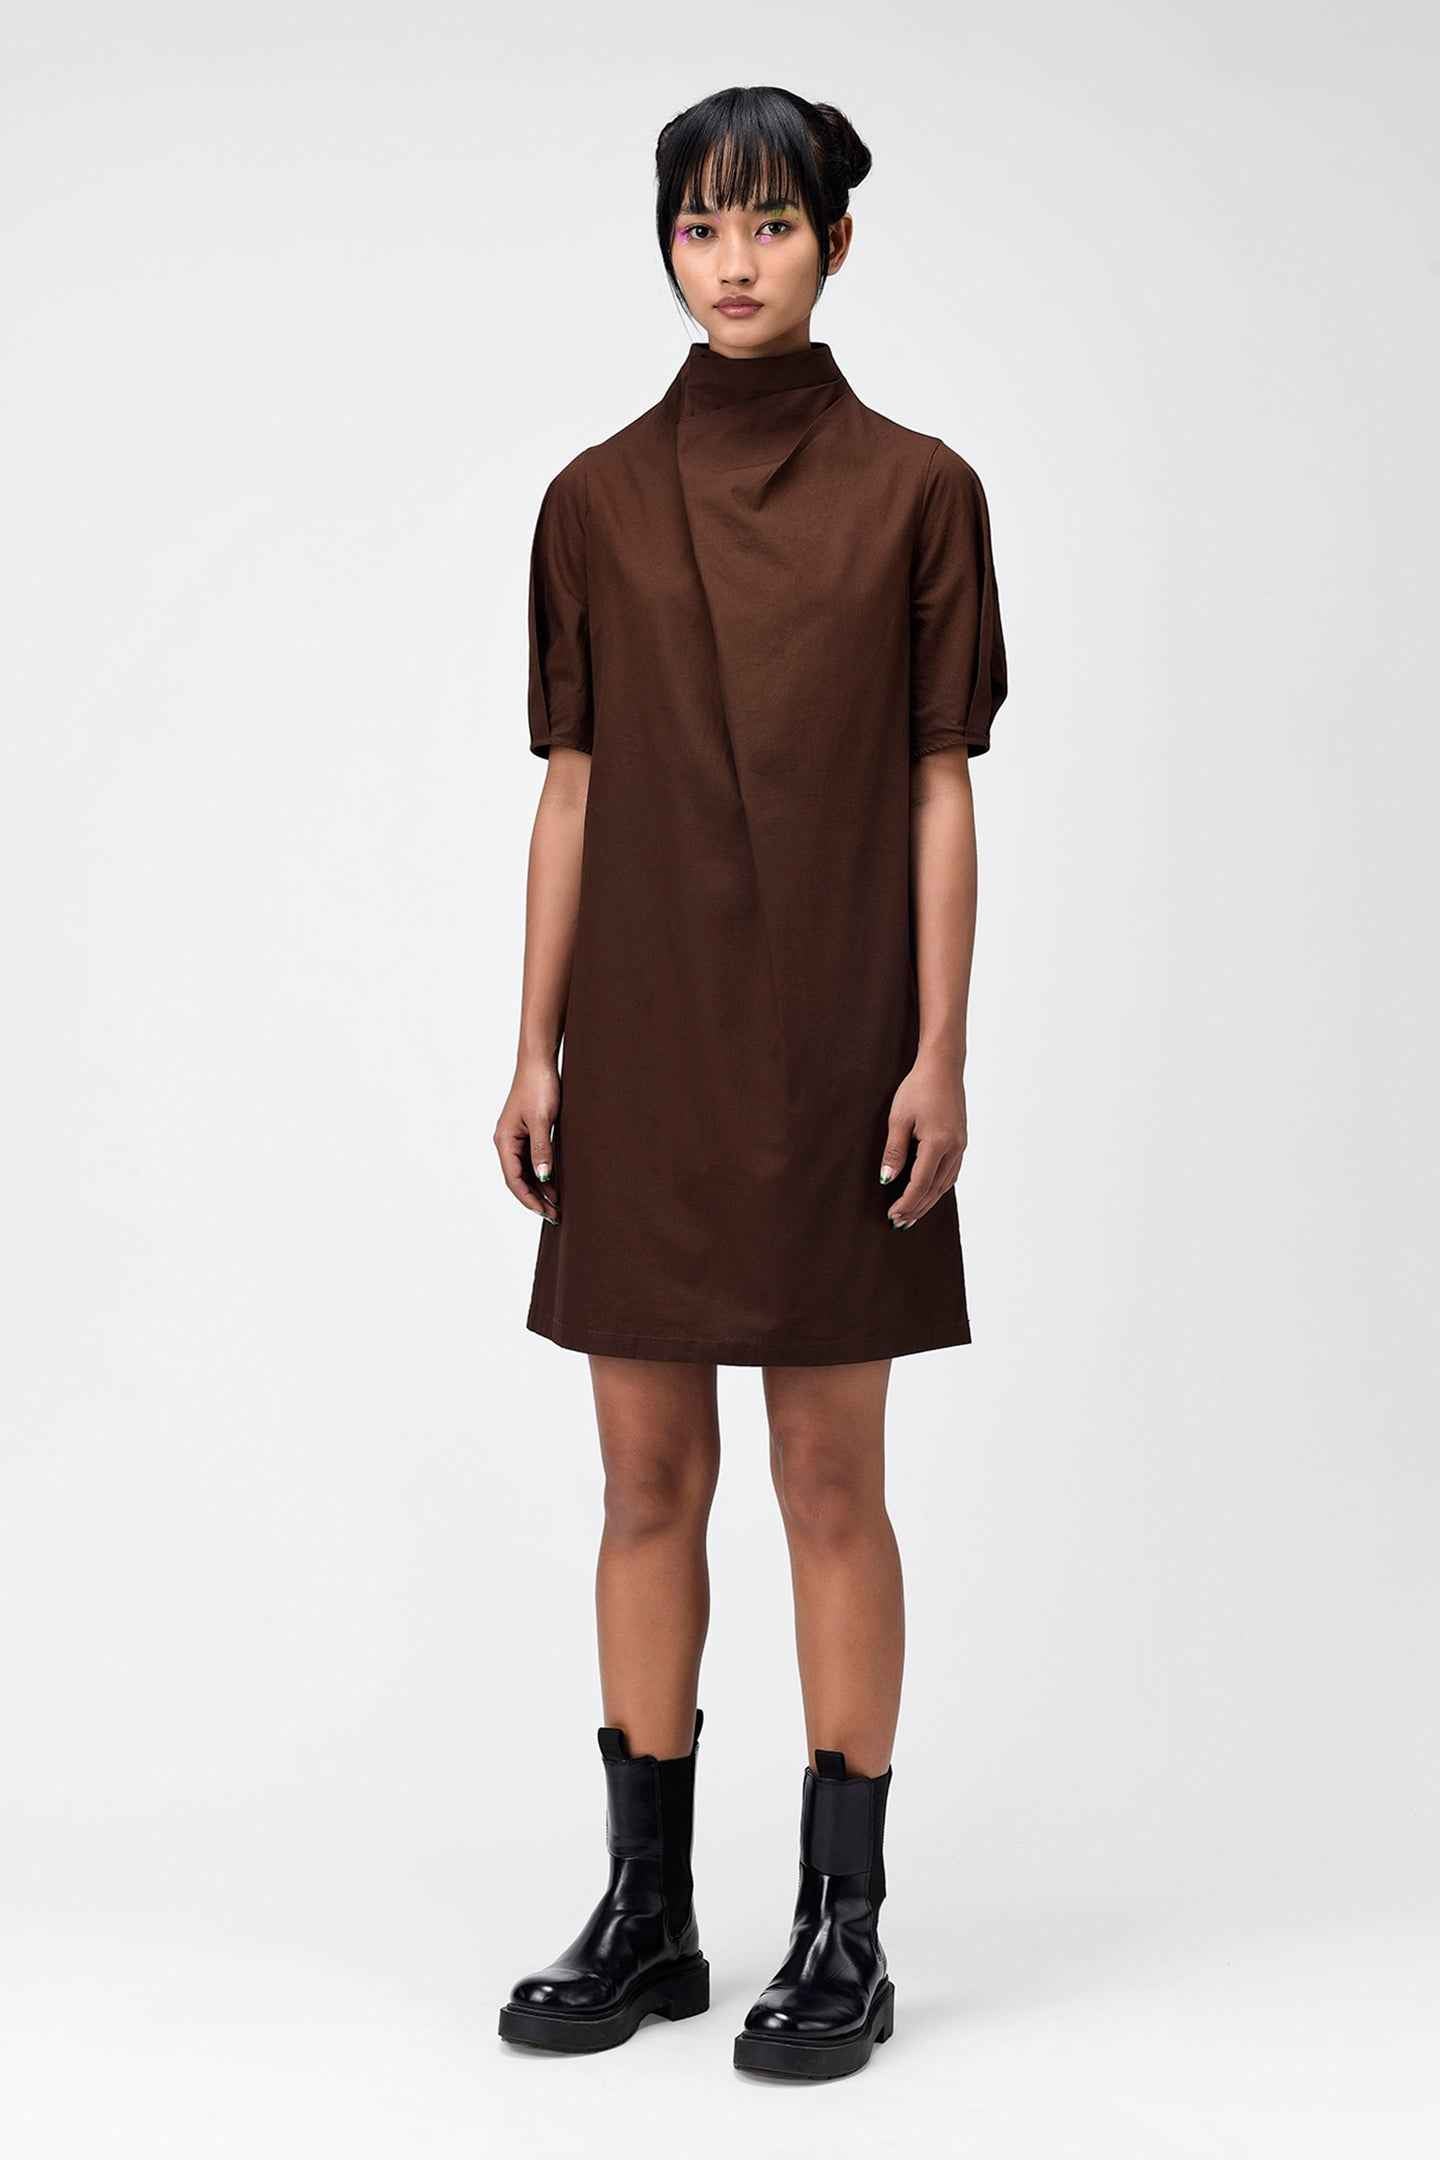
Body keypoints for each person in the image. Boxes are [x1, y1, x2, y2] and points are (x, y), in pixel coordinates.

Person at [494, 83, 1009, 2082]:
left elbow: (938, 785)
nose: (734, 260)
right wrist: (533, 1043)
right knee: (644, 1482)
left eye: (771, 224)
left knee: (827, 1482)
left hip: (837, 1044)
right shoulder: (593, 500)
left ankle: (843, 1931)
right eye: (701, 226)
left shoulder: (921, 492)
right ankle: (649, 1917)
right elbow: (574, 788)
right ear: (665, 246)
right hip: (641, 1042)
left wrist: (938, 1047)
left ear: (835, 244)